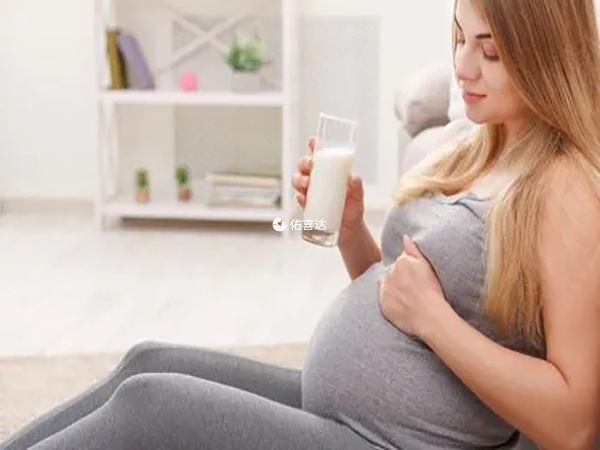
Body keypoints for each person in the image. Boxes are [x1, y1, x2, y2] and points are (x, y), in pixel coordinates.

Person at [3, 0, 600, 448]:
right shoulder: (479, 145)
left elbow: (574, 422)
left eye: (490, 51)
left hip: (393, 443)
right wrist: (351, 233)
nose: (463, 67)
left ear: (544, 54)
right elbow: (400, 299)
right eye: (458, 39)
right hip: (352, 419)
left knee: (149, 407)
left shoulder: (566, 186)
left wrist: (435, 320)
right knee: (146, 361)